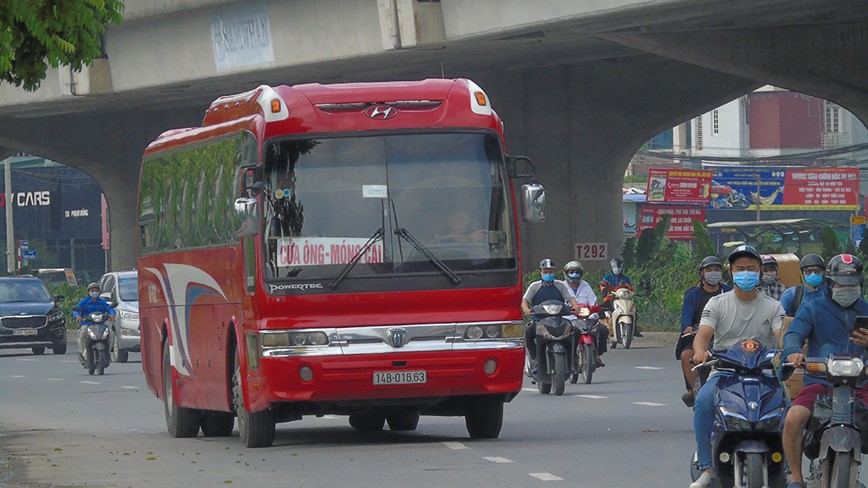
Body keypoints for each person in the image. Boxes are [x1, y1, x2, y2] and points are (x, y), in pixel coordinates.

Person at [690, 245, 785, 488]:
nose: (746, 273)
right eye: (740, 269)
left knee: (790, 408)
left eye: (751, 269)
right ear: (731, 272)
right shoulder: (717, 303)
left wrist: (788, 352)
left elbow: (782, 336)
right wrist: (700, 351)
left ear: (760, 272)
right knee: (702, 401)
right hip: (724, 372)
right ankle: (706, 467)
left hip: (764, 373)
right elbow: (703, 335)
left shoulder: (773, 307)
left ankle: (789, 469)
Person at [781, 253, 868, 488]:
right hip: (821, 382)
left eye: (853, 284)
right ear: (831, 283)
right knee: (793, 418)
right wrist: (793, 351)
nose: (847, 288)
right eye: (841, 283)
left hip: (861, 384)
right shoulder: (814, 308)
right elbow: (794, 333)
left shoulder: (867, 309)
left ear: (860, 284)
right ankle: (797, 479)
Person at [677, 256, 732, 407]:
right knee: (686, 355)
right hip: (700, 337)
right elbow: (686, 314)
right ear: (702, 273)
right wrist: (687, 327)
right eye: (709, 270)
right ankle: (696, 389)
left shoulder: (729, 292)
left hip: (726, 337)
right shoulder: (693, 294)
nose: (713, 273)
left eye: (716, 270)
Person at [522, 259, 578, 373]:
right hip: (539, 321)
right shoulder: (535, 286)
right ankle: (536, 359)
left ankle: (572, 359)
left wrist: (575, 306)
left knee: (576, 331)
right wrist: (526, 309)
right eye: (545, 271)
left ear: (554, 272)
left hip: (558, 320)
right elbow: (525, 301)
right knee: (528, 333)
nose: (548, 274)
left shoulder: (560, 285)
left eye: (550, 271)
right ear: (540, 272)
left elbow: (570, 298)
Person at [561, 260, 607, 367]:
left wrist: (593, 313)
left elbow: (593, 302)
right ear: (566, 273)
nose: (574, 274)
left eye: (577, 272)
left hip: (586, 318)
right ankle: (568, 356)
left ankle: (597, 355)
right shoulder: (561, 286)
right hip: (569, 319)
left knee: (602, 330)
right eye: (571, 272)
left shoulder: (586, 286)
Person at [74, 282, 116, 364]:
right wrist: (78, 316)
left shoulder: (102, 301)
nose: (94, 292)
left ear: (99, 292)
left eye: (96, 290)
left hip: (100, 324)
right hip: (87, 324)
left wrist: (112, 314)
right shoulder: (84, 301)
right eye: (92, 290)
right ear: (88, 292)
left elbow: (109, 308)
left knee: (111, 333)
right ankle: (83, 354)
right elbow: (77, 309)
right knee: (82, 333)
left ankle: (108, 352)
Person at [599, 258, 642, 336]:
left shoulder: (625, 279)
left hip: (623, 300)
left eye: (618, 267)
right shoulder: (607, 278)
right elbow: (603, 286)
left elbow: (631, 289)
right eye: (615, 267)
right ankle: (603, 327)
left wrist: (634, 292)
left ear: (621, 267)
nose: (617, 269)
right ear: (611, 267)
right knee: (598, 309)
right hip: (610, 299)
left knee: (634, 309)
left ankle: (634, 328)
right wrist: (605, 290)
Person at [779, 253, 826, 317]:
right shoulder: (792, 294)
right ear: (802, 273)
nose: (813, 274)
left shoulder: (831, 294)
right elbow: (780, 318)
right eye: (808, 271)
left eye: (816, 271)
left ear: (823, 272)